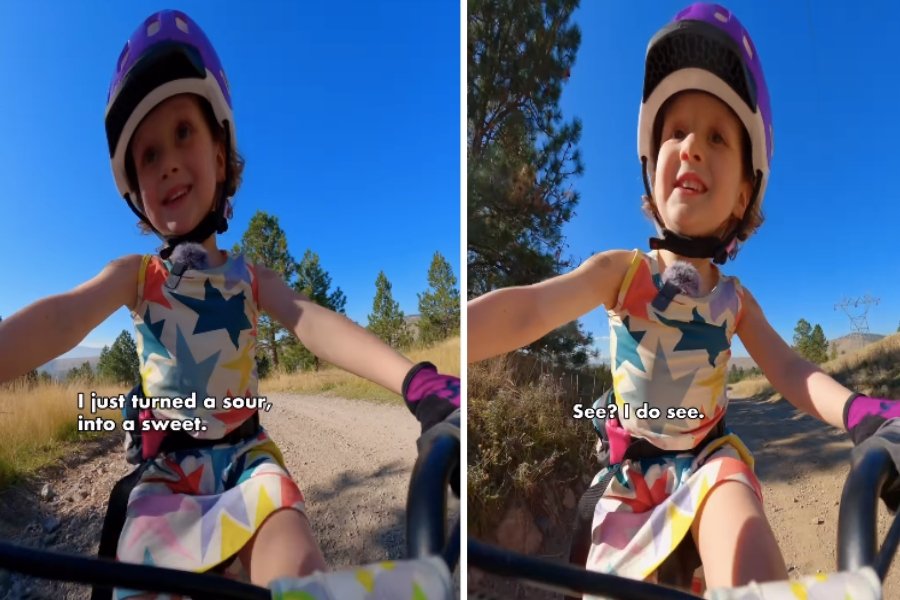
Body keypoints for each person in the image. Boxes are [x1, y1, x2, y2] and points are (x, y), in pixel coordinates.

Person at [0, 10, 458, 599]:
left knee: (295, 566)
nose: (166, 160)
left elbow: (314, 322)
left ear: (220, 156)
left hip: (248, 463)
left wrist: (415, 381)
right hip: (165, 475)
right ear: (137, 193)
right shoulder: (137, 276)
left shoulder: (251, 278)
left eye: (184, 132)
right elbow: (62, 317)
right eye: (147, 154)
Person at [468, 2, 897, 592]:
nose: (692, 146)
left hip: (706, 462)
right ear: (652, 164)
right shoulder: (621, 272)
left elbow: (791, 369)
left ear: (744, 195)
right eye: (676, 131)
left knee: (733, 503)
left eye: (717, 136)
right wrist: (455, 346)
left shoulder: (734, 301)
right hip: (629, 473)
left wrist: (858, 411)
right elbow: (532, 308)